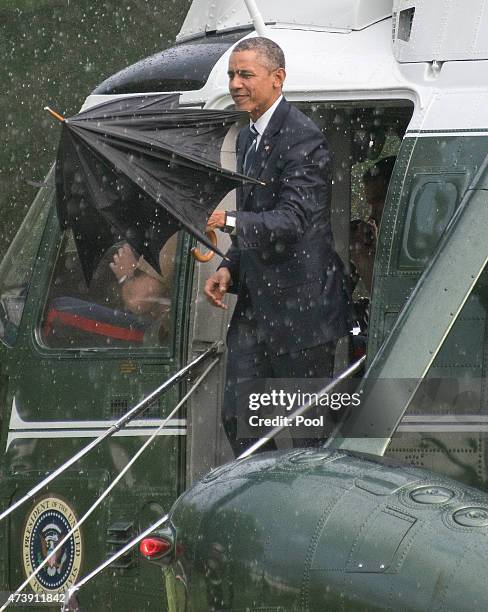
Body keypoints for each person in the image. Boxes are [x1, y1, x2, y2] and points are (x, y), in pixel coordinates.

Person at [204, 37, 350, 456]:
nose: (235, 83)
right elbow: (258, 216)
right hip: (256, 309)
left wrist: (229, 221)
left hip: (304, 313)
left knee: (307, 434)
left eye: (245, 74)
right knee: (238, 419)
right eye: (232, 74)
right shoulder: (248, 138)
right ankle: (266, 504)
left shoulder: (304, 138)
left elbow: (291, 221)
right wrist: (228, 267)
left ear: (278, 78)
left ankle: (305, 510)